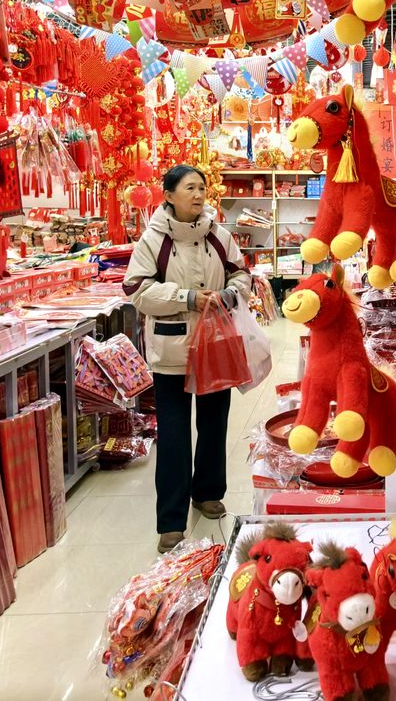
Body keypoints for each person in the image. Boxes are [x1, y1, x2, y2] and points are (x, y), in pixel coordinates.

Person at [123, 165, 252, 553]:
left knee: (214, 424)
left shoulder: (219, 235)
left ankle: (209, 492)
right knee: (175, 435)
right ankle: (171, 520)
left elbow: (242, 275)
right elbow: (137, 290)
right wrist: (187, 298)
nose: (198, 195)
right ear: (169, 195)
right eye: (190, 188)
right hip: (172, 351)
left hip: (215, 344)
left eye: (202, 188)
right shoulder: (154, 239)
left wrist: (229, 295)